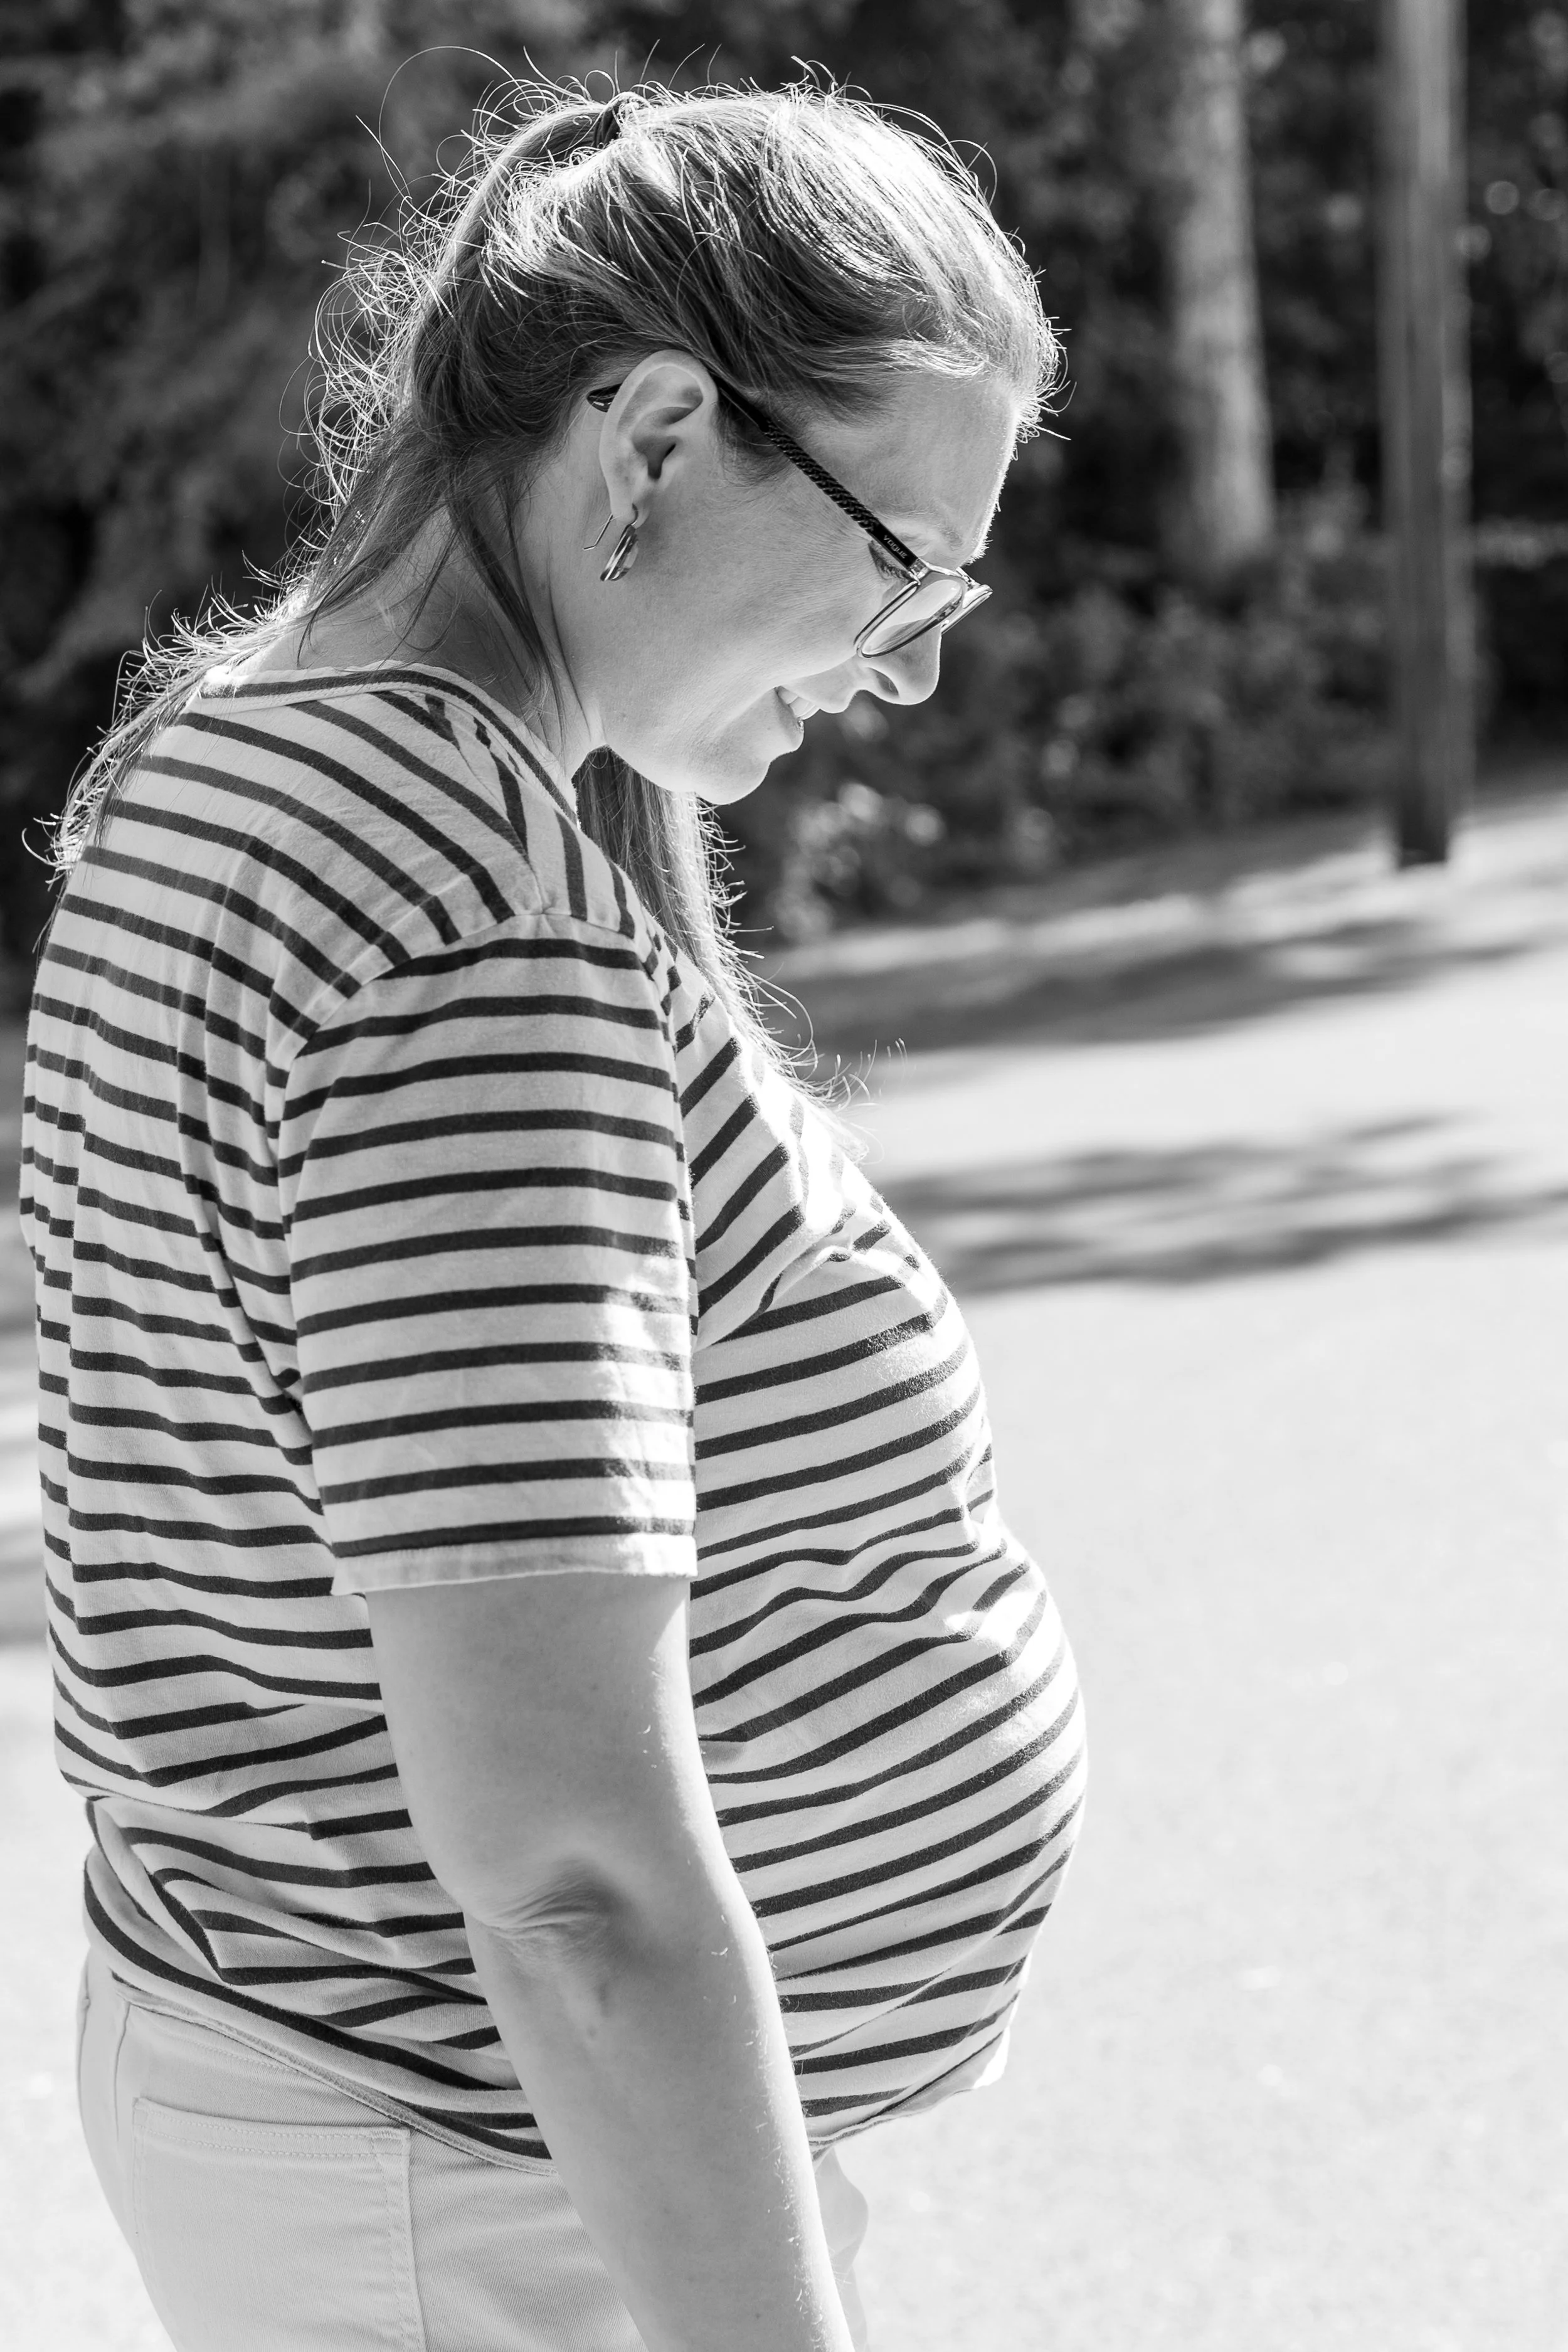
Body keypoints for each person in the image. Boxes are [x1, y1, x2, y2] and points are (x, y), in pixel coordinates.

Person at [24, 77, 1086, 2352]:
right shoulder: (467, 928)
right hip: (485, 2176)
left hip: (418, 2131)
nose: (916, 660)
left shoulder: (237, 746)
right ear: (654, 435)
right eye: (904, 565)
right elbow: (572, 1880)